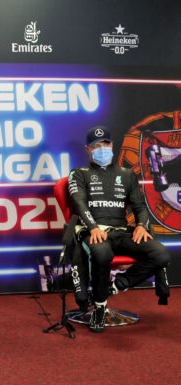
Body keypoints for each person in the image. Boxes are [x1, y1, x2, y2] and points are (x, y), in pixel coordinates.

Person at [68, 125, 170, 333]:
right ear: (88, 149)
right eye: (96, 145)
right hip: (94, 232)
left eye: (105, 143)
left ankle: (116, 286)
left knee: (160, 254)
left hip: (122, 232)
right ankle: (99, 307)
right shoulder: (79, 173)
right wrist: (93, 227)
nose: (102, 148)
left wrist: (141, 225)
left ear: (112, 145)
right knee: (102, 252)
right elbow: (79, 203)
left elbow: (140, 206)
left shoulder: (127, 174)